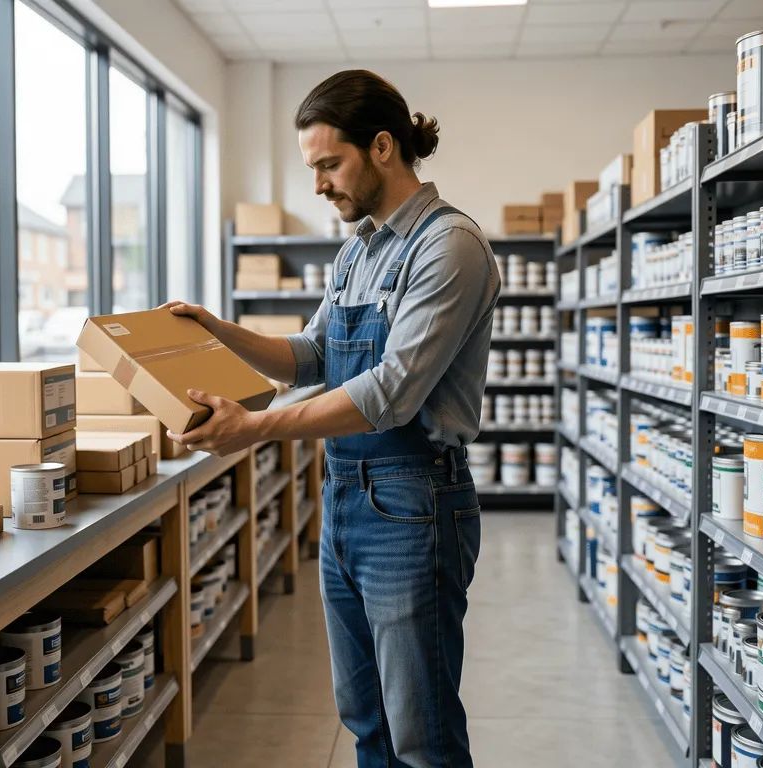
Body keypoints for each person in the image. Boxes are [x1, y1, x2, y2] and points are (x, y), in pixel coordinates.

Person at [164, 69, 498, 768]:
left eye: (327, 164)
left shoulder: (449, 247)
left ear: (383, 147)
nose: (317, 184)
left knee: (421, 734)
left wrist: (253, 429)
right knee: (365, 721)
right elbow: (310, 356)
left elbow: (392, 392)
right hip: (345, 499)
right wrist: (215, 328)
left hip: (413, 506)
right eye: (311, 167)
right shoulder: (357, 252)